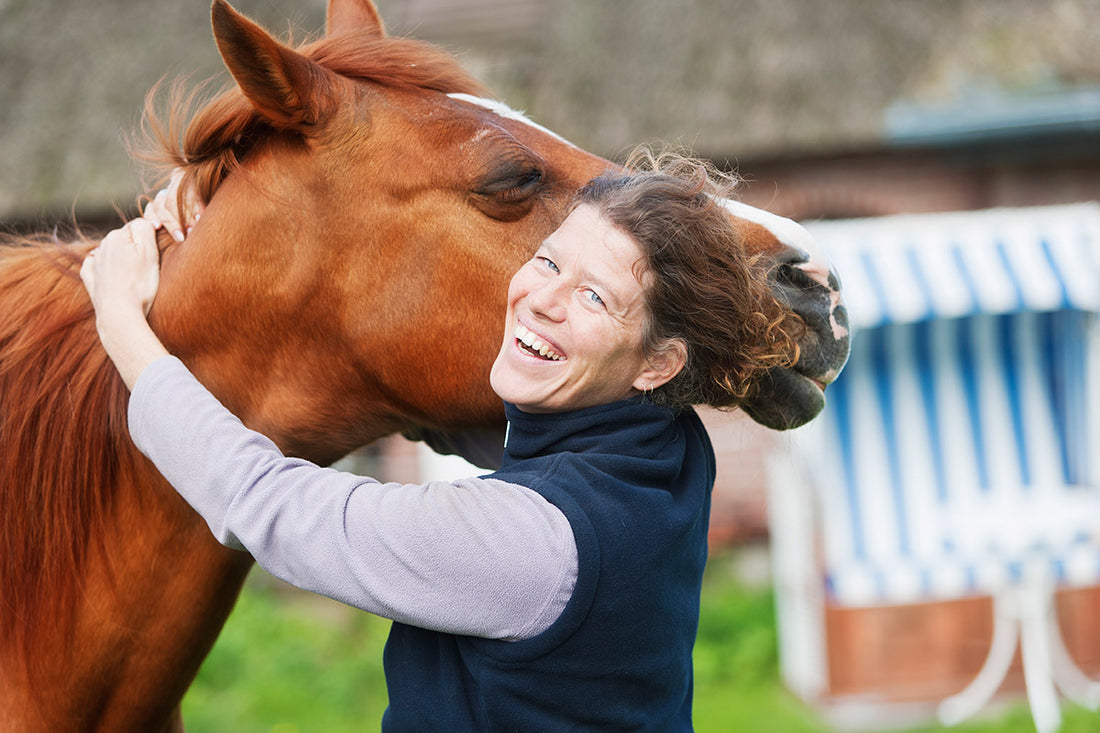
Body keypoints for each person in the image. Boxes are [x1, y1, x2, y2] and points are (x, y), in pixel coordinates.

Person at [81, 148, 799, 731]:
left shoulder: (528, 547)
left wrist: (122, 320)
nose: (541, 299)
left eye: (593, 297)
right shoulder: (670, 444)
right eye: (549, 261)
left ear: (659, 362)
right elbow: (514, 438)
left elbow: (265, 504)